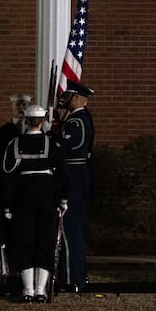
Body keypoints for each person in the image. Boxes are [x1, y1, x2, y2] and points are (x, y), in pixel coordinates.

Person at [0, 104, 66, 302]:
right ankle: (40, 290)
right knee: (45, 241)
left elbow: (7, 176)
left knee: (25, 241)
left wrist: (7, 205)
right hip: (46, 196)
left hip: (23, 196)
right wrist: (63, 199)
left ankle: (27, 290)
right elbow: (62, 173)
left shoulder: (14, 144)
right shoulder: (50, 143)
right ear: (43, 120)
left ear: (26, 120)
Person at [0, 92, 33, 293]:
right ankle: (11, 273)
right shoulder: (3, 133)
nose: (22, 108)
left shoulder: (34, 131)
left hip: (28, 191)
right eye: (18, 105)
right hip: (9, 191)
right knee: (9, 234)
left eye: (25, 104)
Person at [54, 80, 95, 293]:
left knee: (69, 229)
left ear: (78, 98)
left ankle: (71, 279)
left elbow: (63, 150)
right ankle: (76, 276)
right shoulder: (80, 119)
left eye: (69, 95)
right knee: (74, 229)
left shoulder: (77, 122)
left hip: (73, 178)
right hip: (78, 177)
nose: (65, 99)